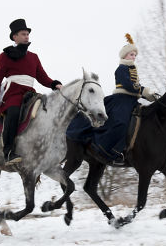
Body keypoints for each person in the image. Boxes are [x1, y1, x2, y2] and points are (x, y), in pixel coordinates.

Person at [66, 33, 158, 164]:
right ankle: (111, 150)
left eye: (135, 55)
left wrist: (150, 95)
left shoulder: (133, 70)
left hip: (132, 101)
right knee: (121, 122)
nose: (134, 57)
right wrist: (144, 91)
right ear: (125, 55)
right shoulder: (121, 69)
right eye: (131, 54)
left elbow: (135, 86)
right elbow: (128, 85)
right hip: (122, 100)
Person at [0, 19, 62, 165]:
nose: (27, 36)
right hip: (13, 92)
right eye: (23, 34)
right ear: (15, 37)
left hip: (30, 92)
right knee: (13, 112)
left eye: (27, 34)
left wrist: (54, 84)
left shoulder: (34, 57)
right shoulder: (4, 56)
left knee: (46, 111)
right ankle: (8, 152)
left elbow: (42, 77)